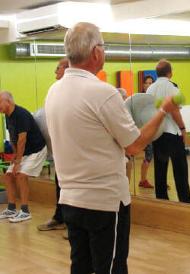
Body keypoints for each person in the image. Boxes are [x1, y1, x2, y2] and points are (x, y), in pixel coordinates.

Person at [44, 22, 178, 274]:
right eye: (103, 47)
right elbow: (135, 145)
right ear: (96, 52)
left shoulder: (53, 92)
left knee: (80, 266)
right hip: (103, 204)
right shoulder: (102, 93)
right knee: (112, 268)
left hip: (70, 201)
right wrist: (162, 111)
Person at [147, 59, 190, 204]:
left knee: (160, 168)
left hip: (157, 133)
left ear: (157, 73)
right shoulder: (173, 87)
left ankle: (161, 198)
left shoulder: (150, 89)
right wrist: (183, 128)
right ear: (170, 73)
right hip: (172, 133)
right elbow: (175, 112)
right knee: (180, 168)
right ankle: (185, 199)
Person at [0, 92, 47, 223]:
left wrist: (18, 162)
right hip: (24, 151)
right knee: (8, 176)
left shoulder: (21, 114)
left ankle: (25, 211)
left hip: (36, 150)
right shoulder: (7, 117)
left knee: (21, 175)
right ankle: (11, 208)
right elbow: (13, 139)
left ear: (8, 101)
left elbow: (22, 139)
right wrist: (15, 156)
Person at [37, 58, 69, 231]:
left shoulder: (75, 91)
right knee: (60, 184)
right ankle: (61, 218)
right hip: (60, 151)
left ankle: (73, 223)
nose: (55, 71)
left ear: (66, 69)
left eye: (57, 68)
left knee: (70, 188)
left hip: (74, 152)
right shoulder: (55, 91)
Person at [139, 75, 155, 188]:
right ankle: (143, 180)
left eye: (151, 83)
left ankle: (158, 181)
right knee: (148, 155)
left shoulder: (155, 98)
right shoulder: (139, 98)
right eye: (147, 83)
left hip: (154, 130)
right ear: (143, 84)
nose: (148, 85)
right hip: (143, 130)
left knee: (151, 155)